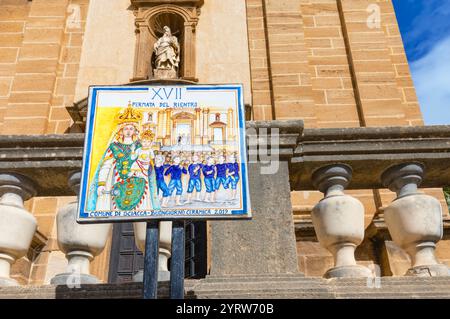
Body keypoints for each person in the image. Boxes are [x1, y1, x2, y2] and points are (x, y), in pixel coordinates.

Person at [87, 105, 160, 212]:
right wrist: (101, 184)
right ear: (121, 130)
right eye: (126, 128)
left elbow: (148, 165)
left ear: (135, 130)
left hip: (139, 182)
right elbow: (106, 166)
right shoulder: (114, 147)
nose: (128, 131)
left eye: (131, 128)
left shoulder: (141, 146)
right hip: (118, 181)